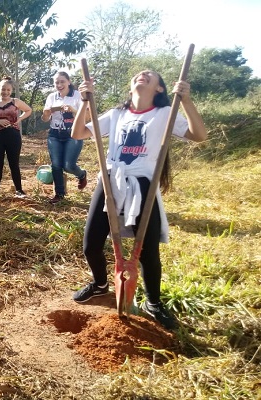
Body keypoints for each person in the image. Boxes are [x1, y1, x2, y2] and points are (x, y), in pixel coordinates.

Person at [71, 70, 207, 330]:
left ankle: (153, 302)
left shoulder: (165, 113)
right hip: (110, 180)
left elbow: (199, 135)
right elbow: (78, 134)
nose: (142, 75)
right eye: (138, 74)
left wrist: (186, 100)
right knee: (90, 244)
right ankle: (100, 284)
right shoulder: (116, 115)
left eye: (150, 75)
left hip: (144, 181)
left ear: (159, 89)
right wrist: (85, 101)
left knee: (147, 250)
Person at [42, 71, 87, 204]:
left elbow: (87, 117)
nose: (59, 84)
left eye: (62, 81)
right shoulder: (51, 97)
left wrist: (73, 110)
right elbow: (45, 119)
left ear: (69, 81)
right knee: (56, 165)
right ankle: (59, 194)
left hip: (73, 133)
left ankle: (81, 174)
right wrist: (46, 113)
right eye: (56, 82)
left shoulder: (77, 96)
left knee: (68, 165)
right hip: (55, 134)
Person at [0, 76, 32, 198]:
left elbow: (28, 110)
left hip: (13, 135)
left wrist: (19, 119)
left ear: (11, 91)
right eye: (3, 89)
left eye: (8, 90)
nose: (5, 92)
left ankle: (19, 190)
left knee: (14, 163)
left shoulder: (15, 102)